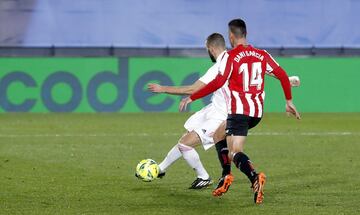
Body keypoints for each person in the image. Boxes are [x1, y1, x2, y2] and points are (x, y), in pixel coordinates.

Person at [147, 33, 300, 190]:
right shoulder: (237, 58)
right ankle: (162, 169)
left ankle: (204, 177)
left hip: (222, 116)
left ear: (211, 49)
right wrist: (287, 79)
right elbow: (259, 70)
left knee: (186, 144)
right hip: (215, 110)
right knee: (185, 139)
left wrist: (163, 89)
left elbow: (193, 88)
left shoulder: (222, 65)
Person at [179, 19, 301, 204]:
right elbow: (282, 75)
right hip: (256, 113)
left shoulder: (230, 57)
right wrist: (289, 100)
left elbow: (218, 82)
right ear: (245, 33)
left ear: (230, 36)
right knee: (218, 133)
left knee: (235, 152)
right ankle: (225, 175)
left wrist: (192, 97)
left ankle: (254, 177)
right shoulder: (262, 54)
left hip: (239, 112)